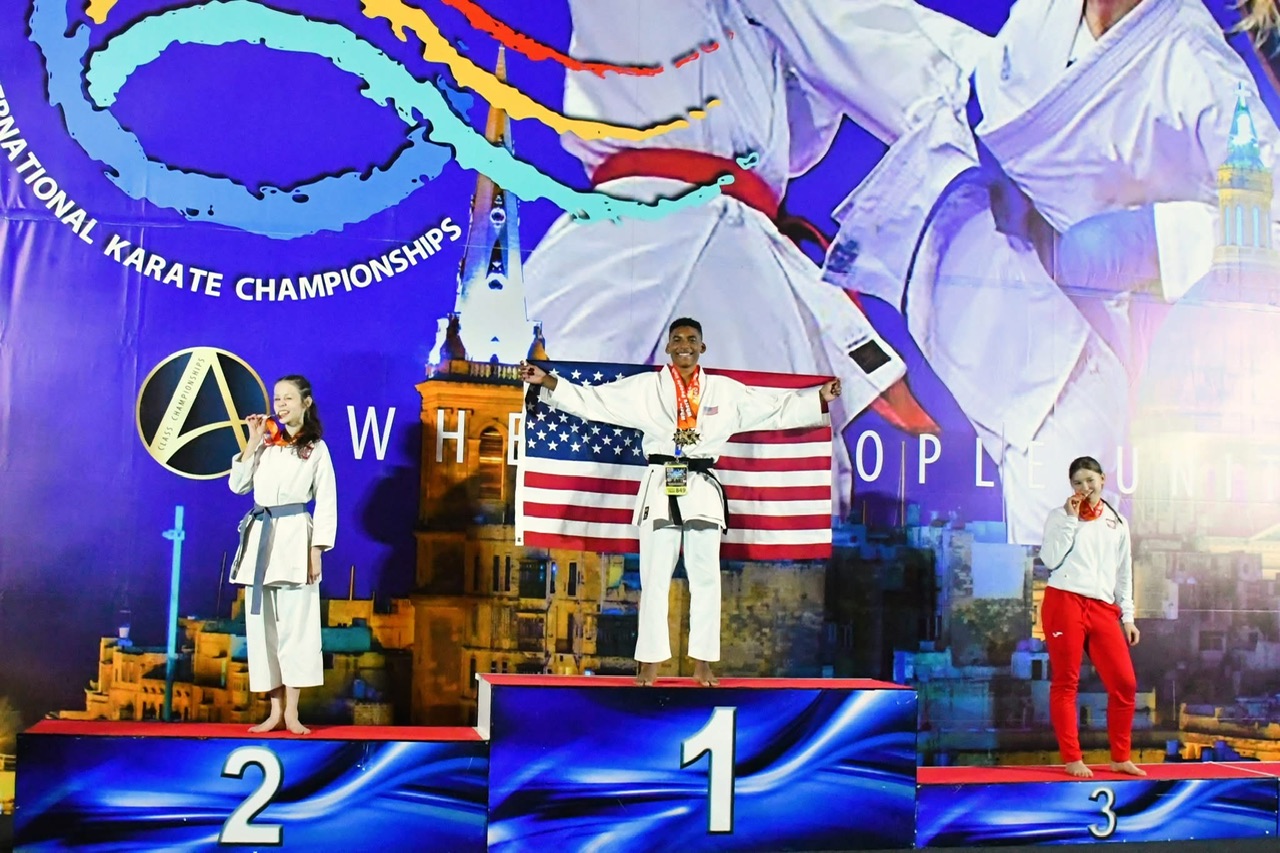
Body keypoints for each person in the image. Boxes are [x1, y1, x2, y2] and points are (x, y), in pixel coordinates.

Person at [824, 0, 1280, 545]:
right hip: (983, 230)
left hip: (1088, 344)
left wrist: (1158, 238)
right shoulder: (1044, 16)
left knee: (1065, 534)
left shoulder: (1196, 65)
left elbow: (1270, 224)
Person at [523, 0, 988, 515]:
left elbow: (799, 124)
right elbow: (846, 53)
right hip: (663, 244)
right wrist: (1002, 90)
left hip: (710, 248)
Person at [519, 318, 840, 687]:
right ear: (668, 347)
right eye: (677, 339)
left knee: (706, 579)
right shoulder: (646, 388)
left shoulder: (724, 391)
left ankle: (703, 663)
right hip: (661, 485)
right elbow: (597, 401)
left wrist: (818, 397)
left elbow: (772, 407)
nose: (684, 345)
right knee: (654, 578)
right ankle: (649, 663)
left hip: (701, 489)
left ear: (702, 347)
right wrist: (547, 381)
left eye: (691, 339)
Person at [228, 375, 337, 734]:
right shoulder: (266, 444)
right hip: (261, 540)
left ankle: (292, 712)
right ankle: (274, 711)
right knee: (263, 632)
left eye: (288, 398)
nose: (281, 405)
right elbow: (237, 485)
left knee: (297, 629)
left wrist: (316, 550)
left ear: (306, 402)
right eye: (277, 398)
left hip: (295, 540)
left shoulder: (315, 448)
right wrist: (253, 440)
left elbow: (327, 502)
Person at [1038, 456, 1144, 779]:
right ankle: (1072, 758)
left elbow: (1123, 572)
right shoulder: (1059, 516)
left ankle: (1120, 758)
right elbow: (1050, 559)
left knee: (1125, 683)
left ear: (1102, 480)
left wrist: (1128, 616)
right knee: (1066, 681)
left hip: (1102, 607)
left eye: (1089, 480)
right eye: (1077, 483)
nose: (1084, 487)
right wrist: (1071, 520)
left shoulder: (1118, 522)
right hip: (1064, 601)